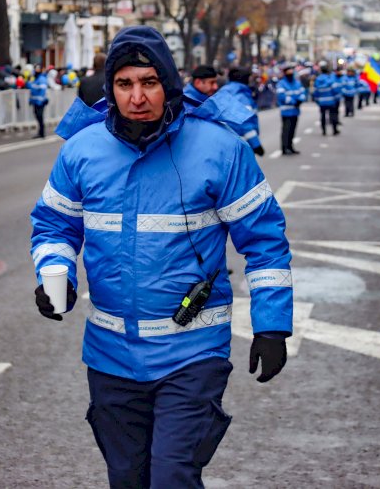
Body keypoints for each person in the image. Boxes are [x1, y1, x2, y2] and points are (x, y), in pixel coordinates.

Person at [30, 26, 293, 488]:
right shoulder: (81, 151)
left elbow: (264, 240)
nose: (137, 97)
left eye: (148, 82)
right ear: (110, 88)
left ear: (168, 83)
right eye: (124, 84)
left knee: (172, 475)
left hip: (192, 352)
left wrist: (271, 325)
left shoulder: (221, 149)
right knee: (128, 479)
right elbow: (55, 225)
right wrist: (56, 273)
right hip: (110, 355)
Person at [209, 65, 265, 155]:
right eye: (249, 77)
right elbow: (244, 122)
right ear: (243, 78)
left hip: (224, 142)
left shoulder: (223, 92)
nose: (250, 80)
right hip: (240, 144)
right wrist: (256, 144)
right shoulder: (241, 97)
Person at [276, 64, 306, 155]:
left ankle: (290, 146)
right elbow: (281, 97)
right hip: (286, 111)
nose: (290, 73)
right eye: (288, 71)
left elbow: (302, 93)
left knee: (293, 130)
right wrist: (294, 101)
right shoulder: (281, 83)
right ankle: (284, 148)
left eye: (291, 71)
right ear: (285, 73)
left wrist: (300, 100)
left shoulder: (297, 83)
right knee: (286, 130)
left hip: (295, 111)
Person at [313, 62, 341, 136]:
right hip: (331, 101)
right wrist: (337, 99)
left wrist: (317, 100)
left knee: (322, 116)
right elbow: (335, 90)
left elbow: (315, 92)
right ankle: (334, 130)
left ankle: (324, 131)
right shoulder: (330, 79)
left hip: (322, 102)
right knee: (333, 115)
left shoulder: (317, 80)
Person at [28, 65, 49, 138]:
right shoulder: (35, 79)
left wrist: (40, 101)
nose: (35, 71)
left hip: (40, 102)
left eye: (37, 69)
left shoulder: (42, 79)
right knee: (37, 116)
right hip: (35, 102)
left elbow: (42, 91)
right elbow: (32, 89)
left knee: (40, 116)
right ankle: (40, 132)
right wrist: (30, 100)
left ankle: (42, 133)